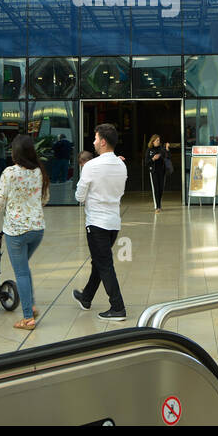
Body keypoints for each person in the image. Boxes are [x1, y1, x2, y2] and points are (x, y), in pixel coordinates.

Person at [0, 134, 49, 331]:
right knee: (24, 268)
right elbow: (44, 199)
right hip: (37, 229)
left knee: (20, 271)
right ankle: (32, 305)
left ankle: (28, 318)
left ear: (15, 152)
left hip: (16, 231)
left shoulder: (9, 173)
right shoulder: (39, 171)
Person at [72, 123, 129, 321]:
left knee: (104, 264)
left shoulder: (90, 167)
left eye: (96, 139)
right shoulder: (121, 165)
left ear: (103, 142)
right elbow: (120, 192)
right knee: (99, 261)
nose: (94, 142)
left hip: (96, 223)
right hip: (113, 223)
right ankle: (86, 297)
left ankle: (117, 307)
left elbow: (79, 196)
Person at [147, 134, 168, 213]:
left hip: (162, 171)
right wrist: (153, 158)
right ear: (153, 141)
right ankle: (157, 206)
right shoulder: (149, 150)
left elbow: (167, 156)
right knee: (156, 189)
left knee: (161, 188)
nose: (158, 142)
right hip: (154, 172)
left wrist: (167, 149)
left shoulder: (161, 149)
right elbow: (146, 162)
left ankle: (159, 204)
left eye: (159, 140)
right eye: (157, 140)